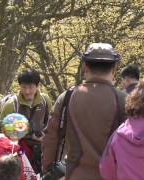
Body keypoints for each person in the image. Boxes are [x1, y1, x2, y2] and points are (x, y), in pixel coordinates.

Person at [42, 43, 127, 180]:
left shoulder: (67, 97)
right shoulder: (123, 100)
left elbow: (50, 138)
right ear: (114, 68)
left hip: (73, 175)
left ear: (84, 67)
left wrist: (48, 170)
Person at [0, 70, 52, 174]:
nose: (27, 91)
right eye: (24, 87)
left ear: (37, 86)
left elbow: (49, 122)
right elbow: (3, 131)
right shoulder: (11, 104)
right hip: (18, 149)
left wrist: (46, 136)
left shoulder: (45, 100)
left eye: (31, 87)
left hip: (41, 148)